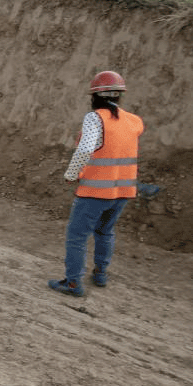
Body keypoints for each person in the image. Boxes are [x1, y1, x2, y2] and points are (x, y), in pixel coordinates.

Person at [49, 71, 145, 297]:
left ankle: (73, 283)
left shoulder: (95, 118)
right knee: (105, 231)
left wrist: (72, 173)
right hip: (123, 191)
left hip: (95, 191)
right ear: (120, 95)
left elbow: (85, 149)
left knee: (77, 236)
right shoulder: (134, 121)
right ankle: (100, 274)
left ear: (95, 96)